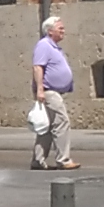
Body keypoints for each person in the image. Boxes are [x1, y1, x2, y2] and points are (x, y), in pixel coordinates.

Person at [29, 15, 78, 169]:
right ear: (50, 31)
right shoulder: (44, 45)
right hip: (49, 91)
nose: (63, 31)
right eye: (60, 28)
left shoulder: (53, 47)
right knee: (62, 122)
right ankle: (63, 160)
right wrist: (40, 90)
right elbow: (38, 67)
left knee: (48, 127)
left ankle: (38, 161)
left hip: (52, 91)